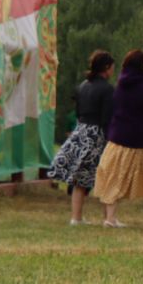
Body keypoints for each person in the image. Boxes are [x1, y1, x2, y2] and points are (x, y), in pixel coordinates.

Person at [93, 49, 143, 229]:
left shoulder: (119, 88)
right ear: (140, 67)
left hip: (118, 141)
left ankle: (110, 218)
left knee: (113, 178)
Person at [49, 50, 114, 225]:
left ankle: (76, 217)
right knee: (105, 175)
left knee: (80, 178)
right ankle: (109, 218)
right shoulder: (107, 89)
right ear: (107, 67)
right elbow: (107, 117)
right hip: (97, 133)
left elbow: (78, 112)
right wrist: (111, 139)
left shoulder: (82, 86)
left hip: (81, 131)